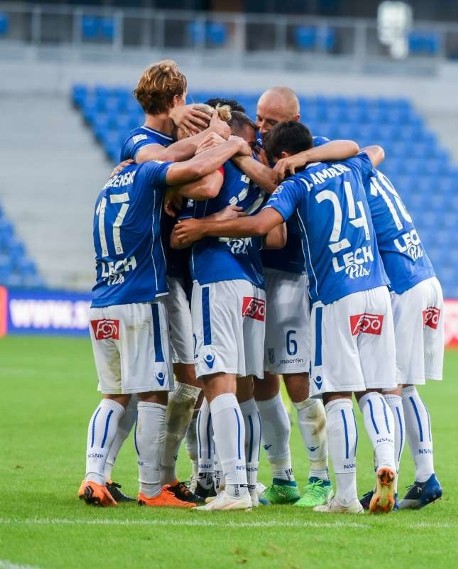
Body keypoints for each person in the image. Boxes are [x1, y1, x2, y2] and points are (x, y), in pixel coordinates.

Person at [174, 122, 397, 514]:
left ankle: (341, 494)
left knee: (337, 392)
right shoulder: (348, 166)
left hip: (334, 293)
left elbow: (264, 227)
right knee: (376, 387)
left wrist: (205, 226)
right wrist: (305, 155)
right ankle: (386, 461)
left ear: (280, 156)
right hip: (377, 288)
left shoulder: (297, 185)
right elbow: (372, 148)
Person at [80, 135, 248, 508]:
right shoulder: (149, 176)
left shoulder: (110, 184)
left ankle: (95, 475)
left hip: (104, 297)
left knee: (116, 394)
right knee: (157, 391)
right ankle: (156, 487)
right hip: (144, 296)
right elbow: (203, 176)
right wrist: (229, 142)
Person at [103, 60, 232, 505]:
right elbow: (201, 183)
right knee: (155, 384)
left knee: (177, 381)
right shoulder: (141, 141)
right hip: (156, 277)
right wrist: (212, 139)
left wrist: (197, 138)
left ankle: (163, 473)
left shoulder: (180, 133)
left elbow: (201, 183)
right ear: (176, 99)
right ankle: (134, 476)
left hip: (183, 271)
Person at [172, 110, 280, 511]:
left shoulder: (213, 172)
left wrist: (202, 223)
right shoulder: (260, 176)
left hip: (217, 280)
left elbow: (182, 235)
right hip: (253, 285)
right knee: (246, 391)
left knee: (217, 384)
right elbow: (277, 235)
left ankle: (230, 488)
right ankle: (249, 483)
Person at [356, 168, 444, 510]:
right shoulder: (375, 177)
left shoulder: (350, 183)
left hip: (402, 287)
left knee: (387, 385)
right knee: (405, 386)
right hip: (427, 279)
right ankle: (426, 477)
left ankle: (386, 485)